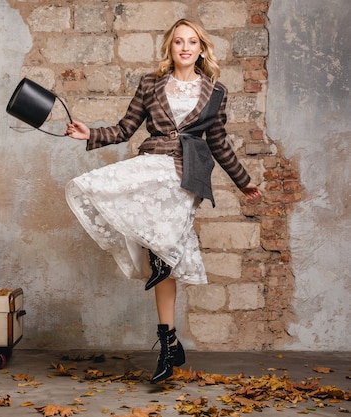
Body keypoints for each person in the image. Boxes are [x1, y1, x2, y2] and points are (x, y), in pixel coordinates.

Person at [64, 18, 262, 384]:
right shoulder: (150, 85)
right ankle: (169, 343)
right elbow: (126, 129)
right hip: (152, 164)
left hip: (185, 175)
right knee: (163, 258)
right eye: (178, 42)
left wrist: (244, 181)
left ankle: (161, 269)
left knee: (163, 248)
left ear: (202, 49)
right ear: (170, 48)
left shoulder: (215, 92)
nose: (185, 48)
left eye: (192, 42)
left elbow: (218, 142)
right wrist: (89, 132)